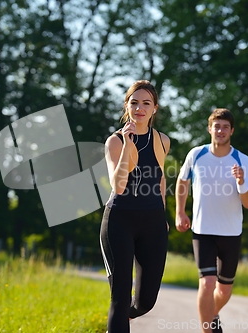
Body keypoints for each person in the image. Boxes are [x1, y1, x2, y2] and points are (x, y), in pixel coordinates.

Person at [175, 108, 248, 333]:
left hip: (231, 232)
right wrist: (180, 212)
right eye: (217, 126)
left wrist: (241, 181)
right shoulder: (196, 155)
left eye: (225, 127)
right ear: (209, 128)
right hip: (203, 230)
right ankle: (207, 329)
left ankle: (209, 315)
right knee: (207, 282)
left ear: (232, 130)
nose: (220, 130)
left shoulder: (243, 161)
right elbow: (182, 182)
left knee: (224, 291)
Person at [100, 80, 170, 333]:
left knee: (145, 302)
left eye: (146, 103)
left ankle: (117, 322)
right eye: (134, 102)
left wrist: (162, 215)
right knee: (119, 297)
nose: (139, 108)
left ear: (154, 109)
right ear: (126, 106)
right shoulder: (114, 142)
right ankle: (116, 322)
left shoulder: (162, 140)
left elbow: (160, 178)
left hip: (152, 222)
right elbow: (118, 186)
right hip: (119, 220)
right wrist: (129, 147)